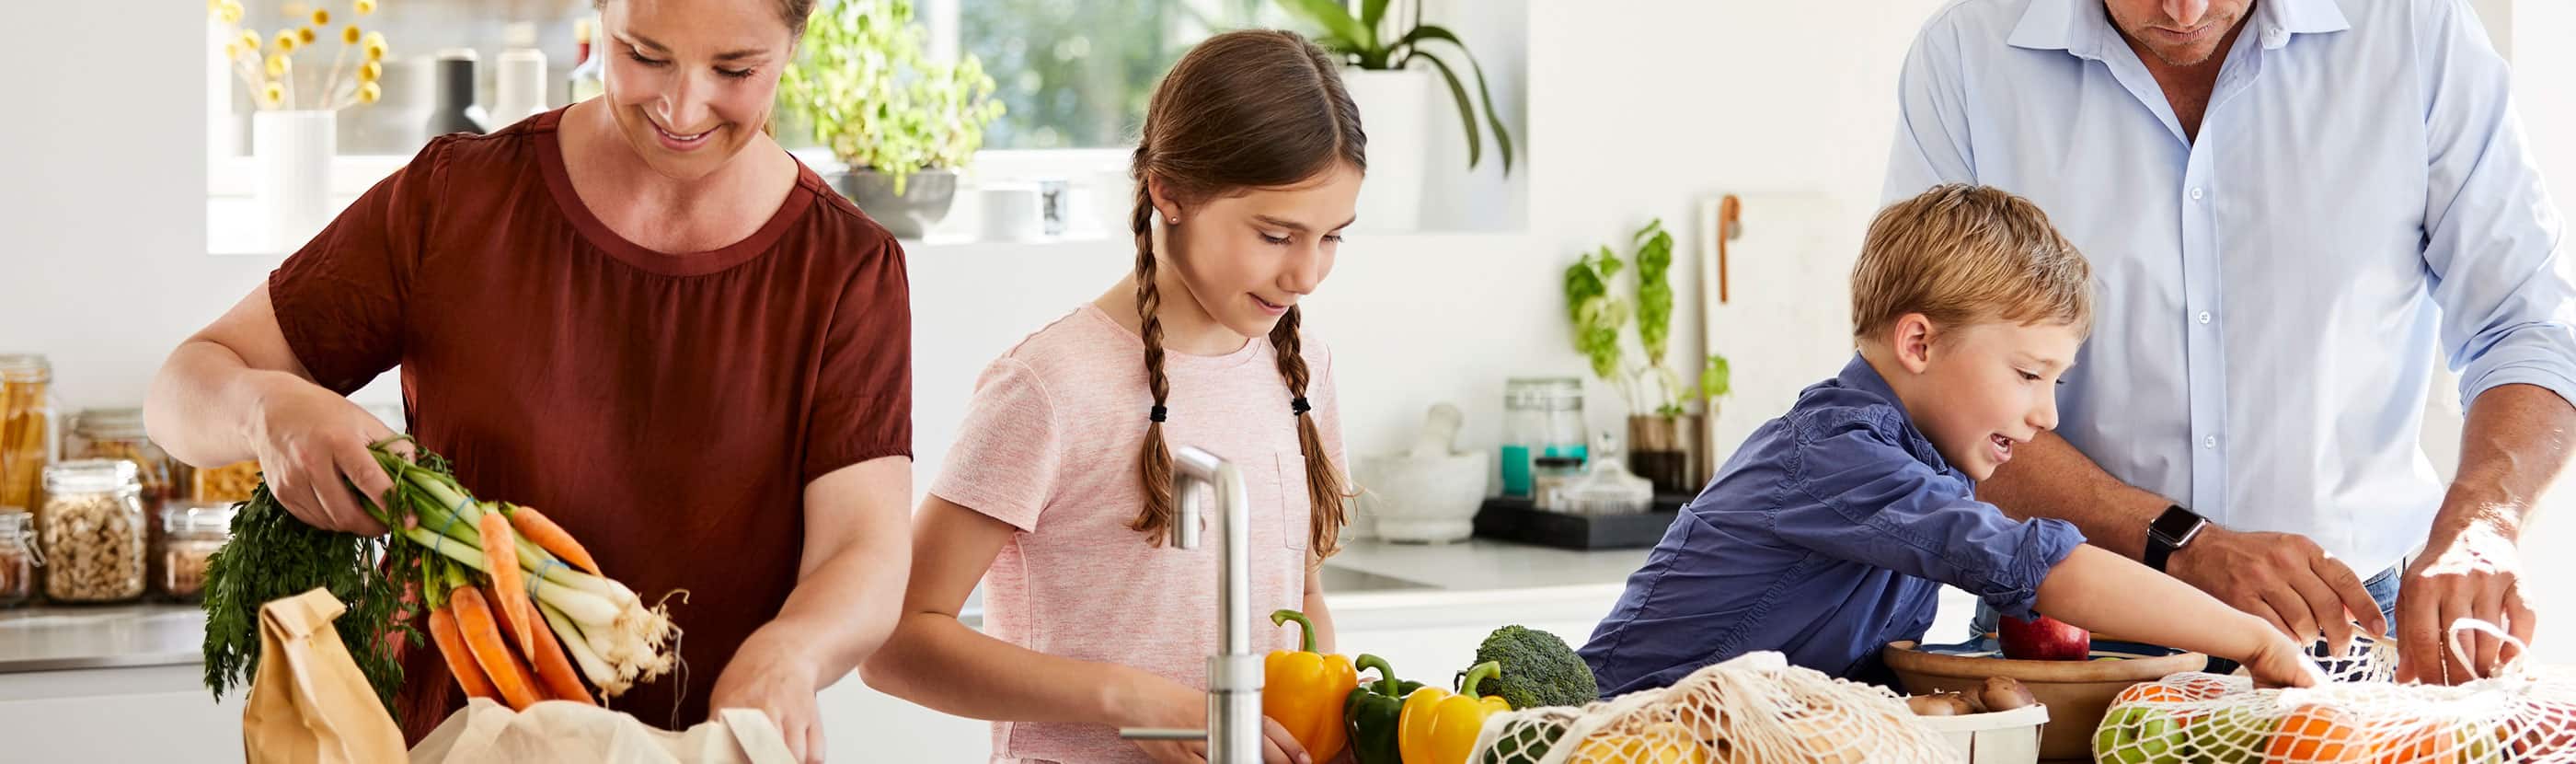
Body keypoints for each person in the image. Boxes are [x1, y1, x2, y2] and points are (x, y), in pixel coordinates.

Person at [144, 1, 910, 760]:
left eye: (736, 69)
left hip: (700, 747)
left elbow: (863, 550)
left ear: (794, 43)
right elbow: (182, 389)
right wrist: (264, 405)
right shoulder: (457, 196)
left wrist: (793, 653)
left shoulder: (844, 268)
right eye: (644, 56)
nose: (682, 106)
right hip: (446, 744)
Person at [1882, 0, 2574, 683]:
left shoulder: (2416, 32)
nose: (2185, 12)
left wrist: (2482, 524)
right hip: (2065, 634)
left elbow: (2528, 324)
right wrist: (2180, 542)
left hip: (2354, 633)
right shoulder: (1968, 55)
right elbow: (1931, 386)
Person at [1579, 185, 2324, 697]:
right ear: (1918, 343)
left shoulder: (1918, 466)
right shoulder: (1840, 454)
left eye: (2056, 384)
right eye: (2030, 374)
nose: (2047, 417)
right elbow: (2045, 568)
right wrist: (2256, 642)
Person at [858, 29, 1363, 764]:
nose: (1308, 276)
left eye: (1332, 238)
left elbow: (1303, 608)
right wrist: (1128, 701)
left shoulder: (1301, 368)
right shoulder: (1050, 386)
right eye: (1277, 235)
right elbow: (894, 639)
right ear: (1169, 191)